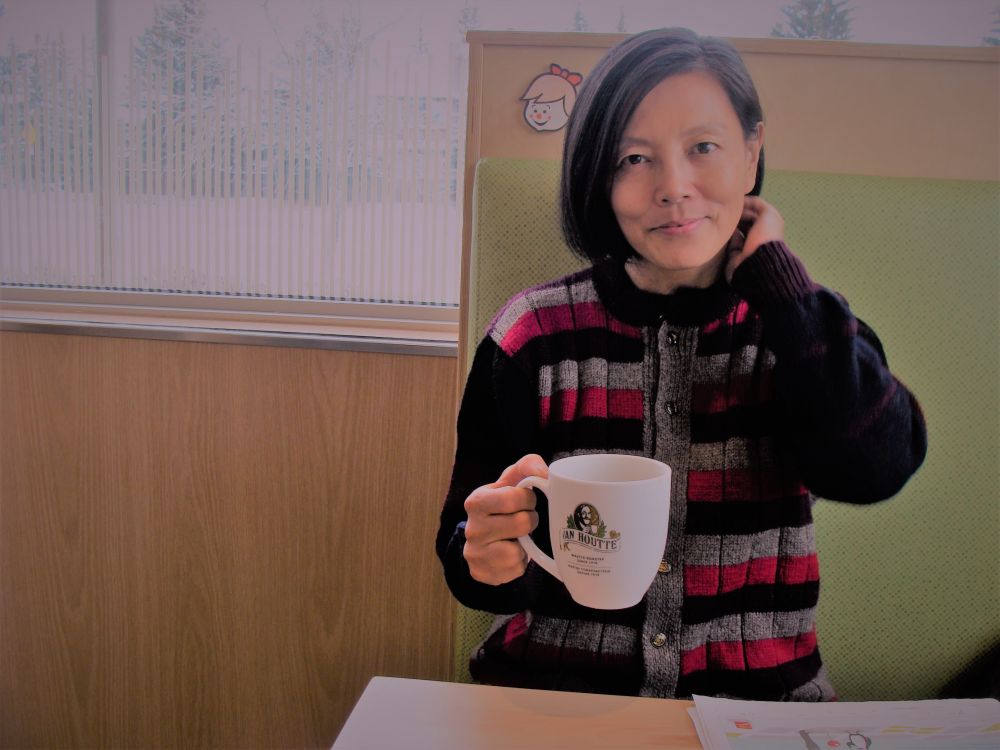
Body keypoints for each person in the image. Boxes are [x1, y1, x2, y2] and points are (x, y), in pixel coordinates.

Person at [435, 27, 927, 701]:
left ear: (751, 153)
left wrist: (782, 289)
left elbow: (877, 468)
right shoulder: (530, 336)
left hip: (761, 709)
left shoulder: (804, 326)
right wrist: (486, 555)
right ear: (598, 177)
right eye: (634, 158)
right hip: (558, 702)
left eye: (703, 148)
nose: (673, 187)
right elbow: (467, 548)